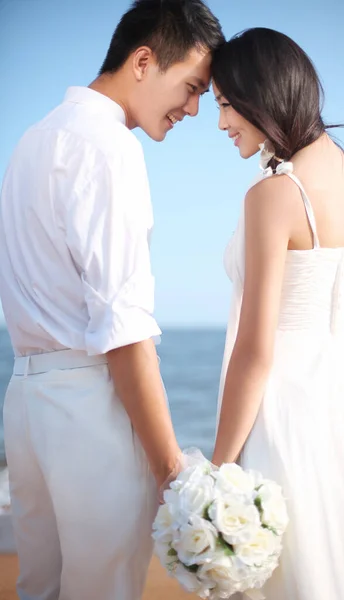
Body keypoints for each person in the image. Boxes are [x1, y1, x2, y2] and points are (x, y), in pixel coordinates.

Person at [0, 1, 224, 599]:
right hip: (88, 409)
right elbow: (123, 328)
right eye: (192, 87)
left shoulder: (32, 139)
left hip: (24, 401)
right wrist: (171, 469)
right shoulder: (109, 147)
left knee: (39, 588)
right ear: (144, 61)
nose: (194, 109)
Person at [211, 28, 344, 600]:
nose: (221, 123)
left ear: (261, 94)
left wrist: (216, 474)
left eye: (224, 104)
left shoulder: (272, 194)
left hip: (287, 404)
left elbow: (255, 347)